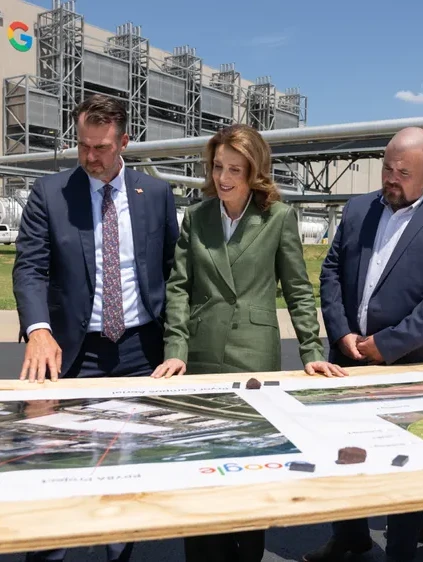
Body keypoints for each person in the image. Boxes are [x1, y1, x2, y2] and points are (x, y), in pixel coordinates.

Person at [151, 123, 346, 561]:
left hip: (254, 355)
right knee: (201, 462)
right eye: (218, 166)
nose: (223, 178)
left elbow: (298, 289)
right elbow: (178, 287)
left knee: (249, 467)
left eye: (234, 169)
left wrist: (312, 352)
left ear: (254, 171)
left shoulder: (278, 217)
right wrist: (175, 350)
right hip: (199, 354)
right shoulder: (197, 216)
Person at [12, 93, 179, 562]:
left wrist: (178, 340)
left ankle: (118, 546)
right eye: (83, 145)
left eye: (101, 148)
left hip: (138, 351)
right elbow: (30, 268)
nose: (90, 157)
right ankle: (47, 552)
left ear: (124, 141)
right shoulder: (51, 194)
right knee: (52, 458)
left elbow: (173, 272)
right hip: (68, 350)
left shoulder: (157, 195)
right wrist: (38, 328)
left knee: (125, 457)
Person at [303, 127, 423, 562]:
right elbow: (331, 272)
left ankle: (400, 552)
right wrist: (341, 332)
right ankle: (350, 537)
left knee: (405, 463)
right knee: (343, 456)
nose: (391, 178)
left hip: (411, 363)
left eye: (403, 172)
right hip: (347, 358)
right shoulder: (359, 208)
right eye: (387, 168)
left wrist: (387, 345)